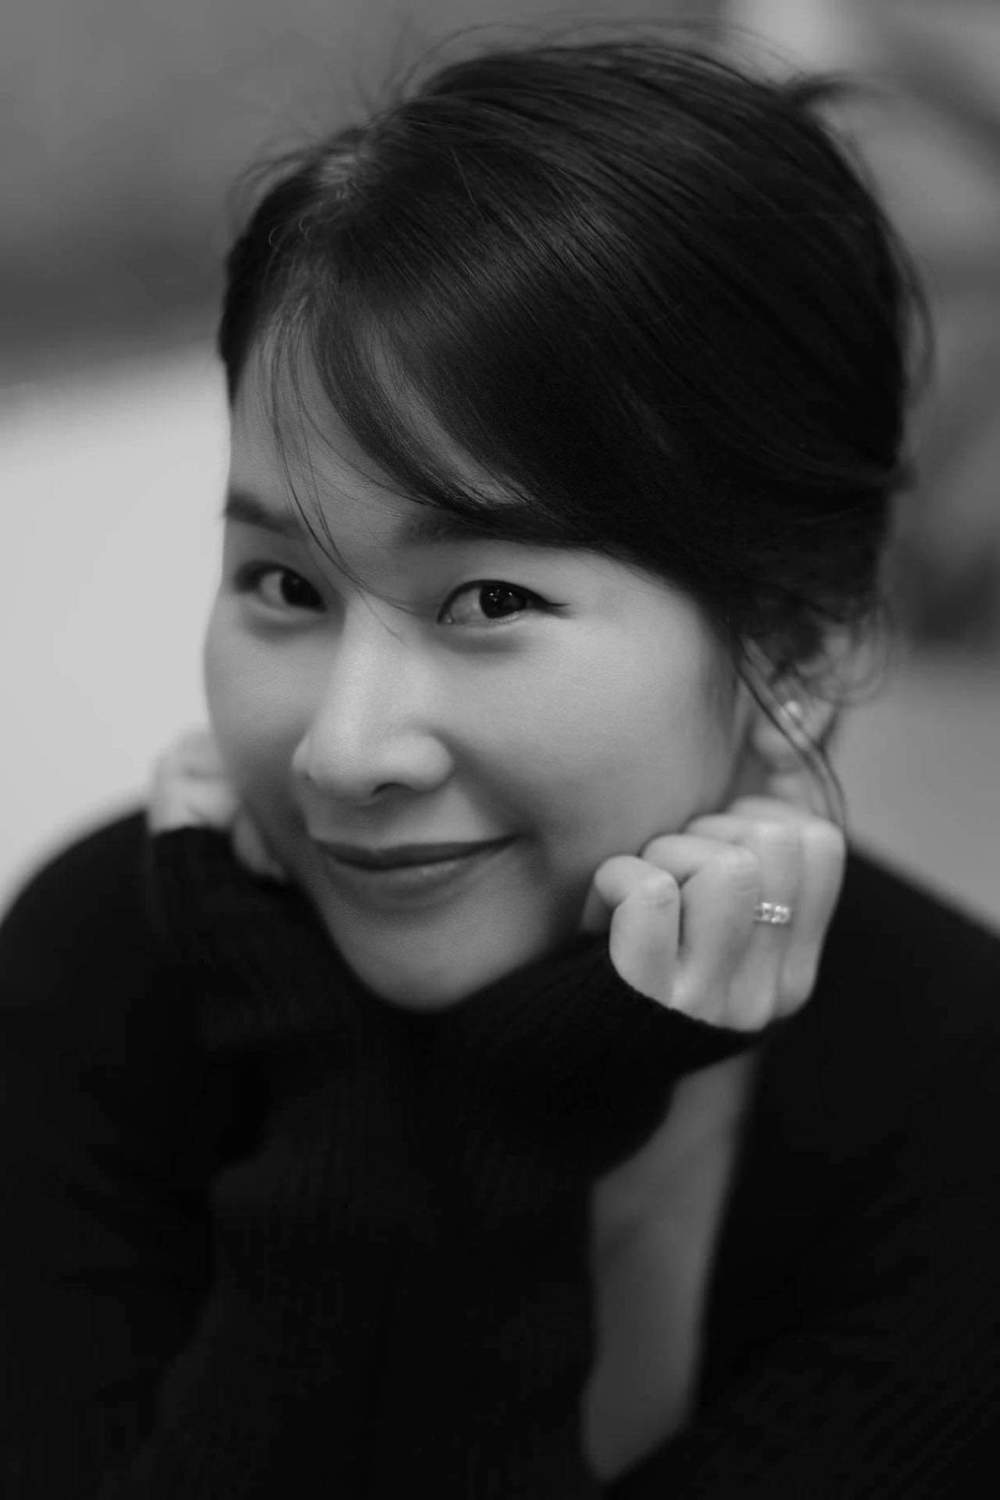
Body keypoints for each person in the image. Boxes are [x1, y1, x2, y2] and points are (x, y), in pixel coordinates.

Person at [3, 28, 999, 1499]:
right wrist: (377, 1116)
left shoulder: (967, 1114)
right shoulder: (104, 959)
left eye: (489, 600)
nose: (345, 750)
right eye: (284, 585)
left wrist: (509, 1140)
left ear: (792, 642)